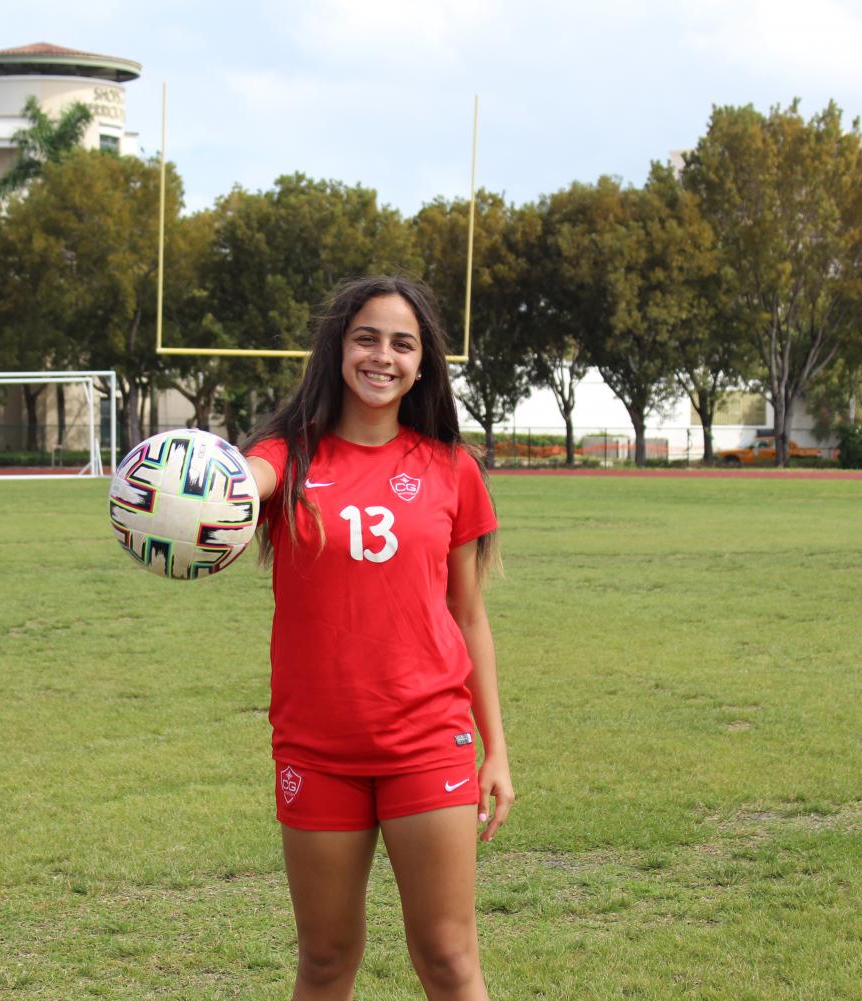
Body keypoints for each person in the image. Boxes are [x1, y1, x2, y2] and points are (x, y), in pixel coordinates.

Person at [243, 275, 513, 1001]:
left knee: (449, 958)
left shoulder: (450, 467)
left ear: (421, 364)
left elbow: (469, 617)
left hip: (428, 741)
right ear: (338, 347)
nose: (381, 355)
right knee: (325, 960)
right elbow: (244, 482)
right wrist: (206, 485)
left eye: (402, 342)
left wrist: (497, 750)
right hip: (317, 748)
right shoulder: (286, 456)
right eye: (366, 336)